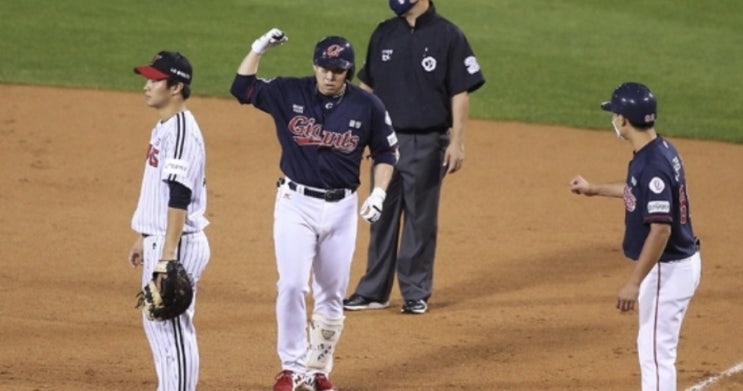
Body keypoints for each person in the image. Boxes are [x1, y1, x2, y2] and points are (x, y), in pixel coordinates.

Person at [229, 29, 399, 391]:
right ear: (315, 65)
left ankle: (317, 370)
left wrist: (379, 193)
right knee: (291, 286)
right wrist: (257, 48)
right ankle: (291, 369)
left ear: (348, 72)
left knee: (331, 294)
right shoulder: (288, 91)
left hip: (342, 209)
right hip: (296, 204)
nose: (329, 75)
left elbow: (386, 152)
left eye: (337, 70)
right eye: (324, 67)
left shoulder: (368, 106)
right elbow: (241, 88)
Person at [343, 0, 485, 315]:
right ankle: (373, 291)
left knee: (419, 219)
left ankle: (415, 291)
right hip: (385, 143)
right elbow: (368, 85)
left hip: (426, 140)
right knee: (380, 217)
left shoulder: (448, 35)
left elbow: (459, 92)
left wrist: (457, 142)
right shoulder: (384, 32)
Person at [570, 82, 702, 391]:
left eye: (614, 114)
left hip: (667, 268)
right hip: (675, 264)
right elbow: (636, 192)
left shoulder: (652, 165)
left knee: (655, 355)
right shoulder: (660, 149)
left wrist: (633, 282)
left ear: (624, 120)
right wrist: (594, 189)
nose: (613, 120)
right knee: (653, 349)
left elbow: (660, 230)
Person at [128, 50, 211, 391]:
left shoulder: (180, 132)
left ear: (176, 87)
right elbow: (159, 192)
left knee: (173, 330)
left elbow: (180, 196)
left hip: (177, 243)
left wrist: (167, 255)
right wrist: (145, 235)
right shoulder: (164, 126)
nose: (147, 86)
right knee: (160, 328)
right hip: (162, 238)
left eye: (154, 80)